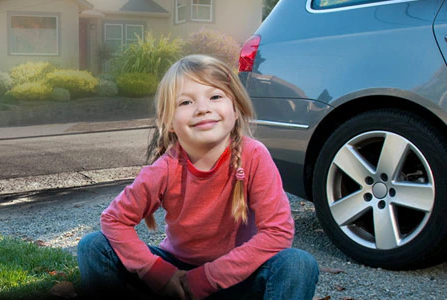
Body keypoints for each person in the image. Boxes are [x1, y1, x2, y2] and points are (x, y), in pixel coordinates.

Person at [77, 54, 319, 300]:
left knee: (297, 263)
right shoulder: (165, 168)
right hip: (175, 280)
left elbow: (277, 232)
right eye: (185, 102)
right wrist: (159, 274)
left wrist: (204, 280)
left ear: (235, 109)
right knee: (94, 246)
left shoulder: (254, 155)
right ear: (168, 122)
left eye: (215, 96)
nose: (203, 108)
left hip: (236, 278)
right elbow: (113, 220)